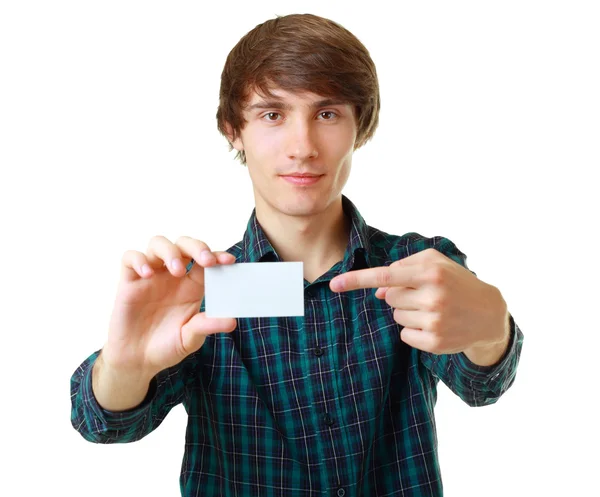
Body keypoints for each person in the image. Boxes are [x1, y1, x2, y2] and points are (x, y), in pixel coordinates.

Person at [70, 12, 524, 497]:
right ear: (233, 129)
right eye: (272, 114)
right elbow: (104, 424)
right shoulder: (198, 290)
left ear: (361, 127)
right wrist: (124, 366)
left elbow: (482, 385)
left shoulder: (417, 267)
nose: (302, 147)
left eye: (327, 114)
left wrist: (493, 325)